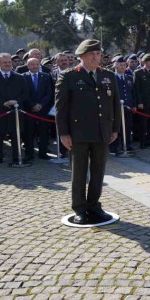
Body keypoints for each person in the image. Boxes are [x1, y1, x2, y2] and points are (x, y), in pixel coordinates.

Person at [56, 40, 120, 224]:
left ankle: (94, 205)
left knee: (98, 171)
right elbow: (61, 108)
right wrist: (63, 133)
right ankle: (79, 208)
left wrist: (114, 129)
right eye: (92, 54)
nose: (96, 57)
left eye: (98, 54)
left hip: (102, 131)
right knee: (79, 172)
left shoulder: (108, 75)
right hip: (78, 133)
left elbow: (114, 104)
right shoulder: (69, 77)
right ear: (81, 56)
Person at [0, 53, 28, 165]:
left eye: (9, 62)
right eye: (5, 62)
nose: (8, 64)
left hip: (15, 111)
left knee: (15, 135)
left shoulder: (20, 77)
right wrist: (2, 102)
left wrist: (15, 101)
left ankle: (16, 157)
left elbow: (25, 93)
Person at [22, 58, 54, 160]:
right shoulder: (22, 77)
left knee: (43, 132)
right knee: (29, 133)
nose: (35, 66)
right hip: (28, 110)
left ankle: (43, 153)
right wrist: (32, 105)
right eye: (32, 65)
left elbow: (49, 93)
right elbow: (23, 94)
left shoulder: (46, 76)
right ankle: (29, 154)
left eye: (37, 64)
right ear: (28, 66)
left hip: (43, 110)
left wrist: (40, 105)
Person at [111, 56, 135, 155]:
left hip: (128, 107)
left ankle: (127, 145)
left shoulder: (129, 77)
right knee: (116, 127)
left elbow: (133, 92)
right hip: (116, 107)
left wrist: (133, 104)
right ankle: (114, 147)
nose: (123, 67)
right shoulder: (112, 78)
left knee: (128, 127)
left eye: (124, 65)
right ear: (115, 65)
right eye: (120, 65)